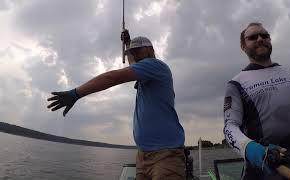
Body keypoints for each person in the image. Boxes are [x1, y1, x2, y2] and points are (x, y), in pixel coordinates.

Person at [47, 30, 186, 180]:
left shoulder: (155, 66)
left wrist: (75, 94)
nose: (135, 55)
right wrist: (128, 42)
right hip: (143, 156)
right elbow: (134, 62)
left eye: (138, 51)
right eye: (132, 52)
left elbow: (112, 77)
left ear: (151, 50)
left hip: (165, 156)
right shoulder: (146, 72)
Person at [223, 22, 290, 179]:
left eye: (265, 35)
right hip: (264, 168)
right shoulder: (236, 83)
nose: (260, 39)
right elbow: (230, 127)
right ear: (243, 46)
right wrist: (256, 152)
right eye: (253, 37)